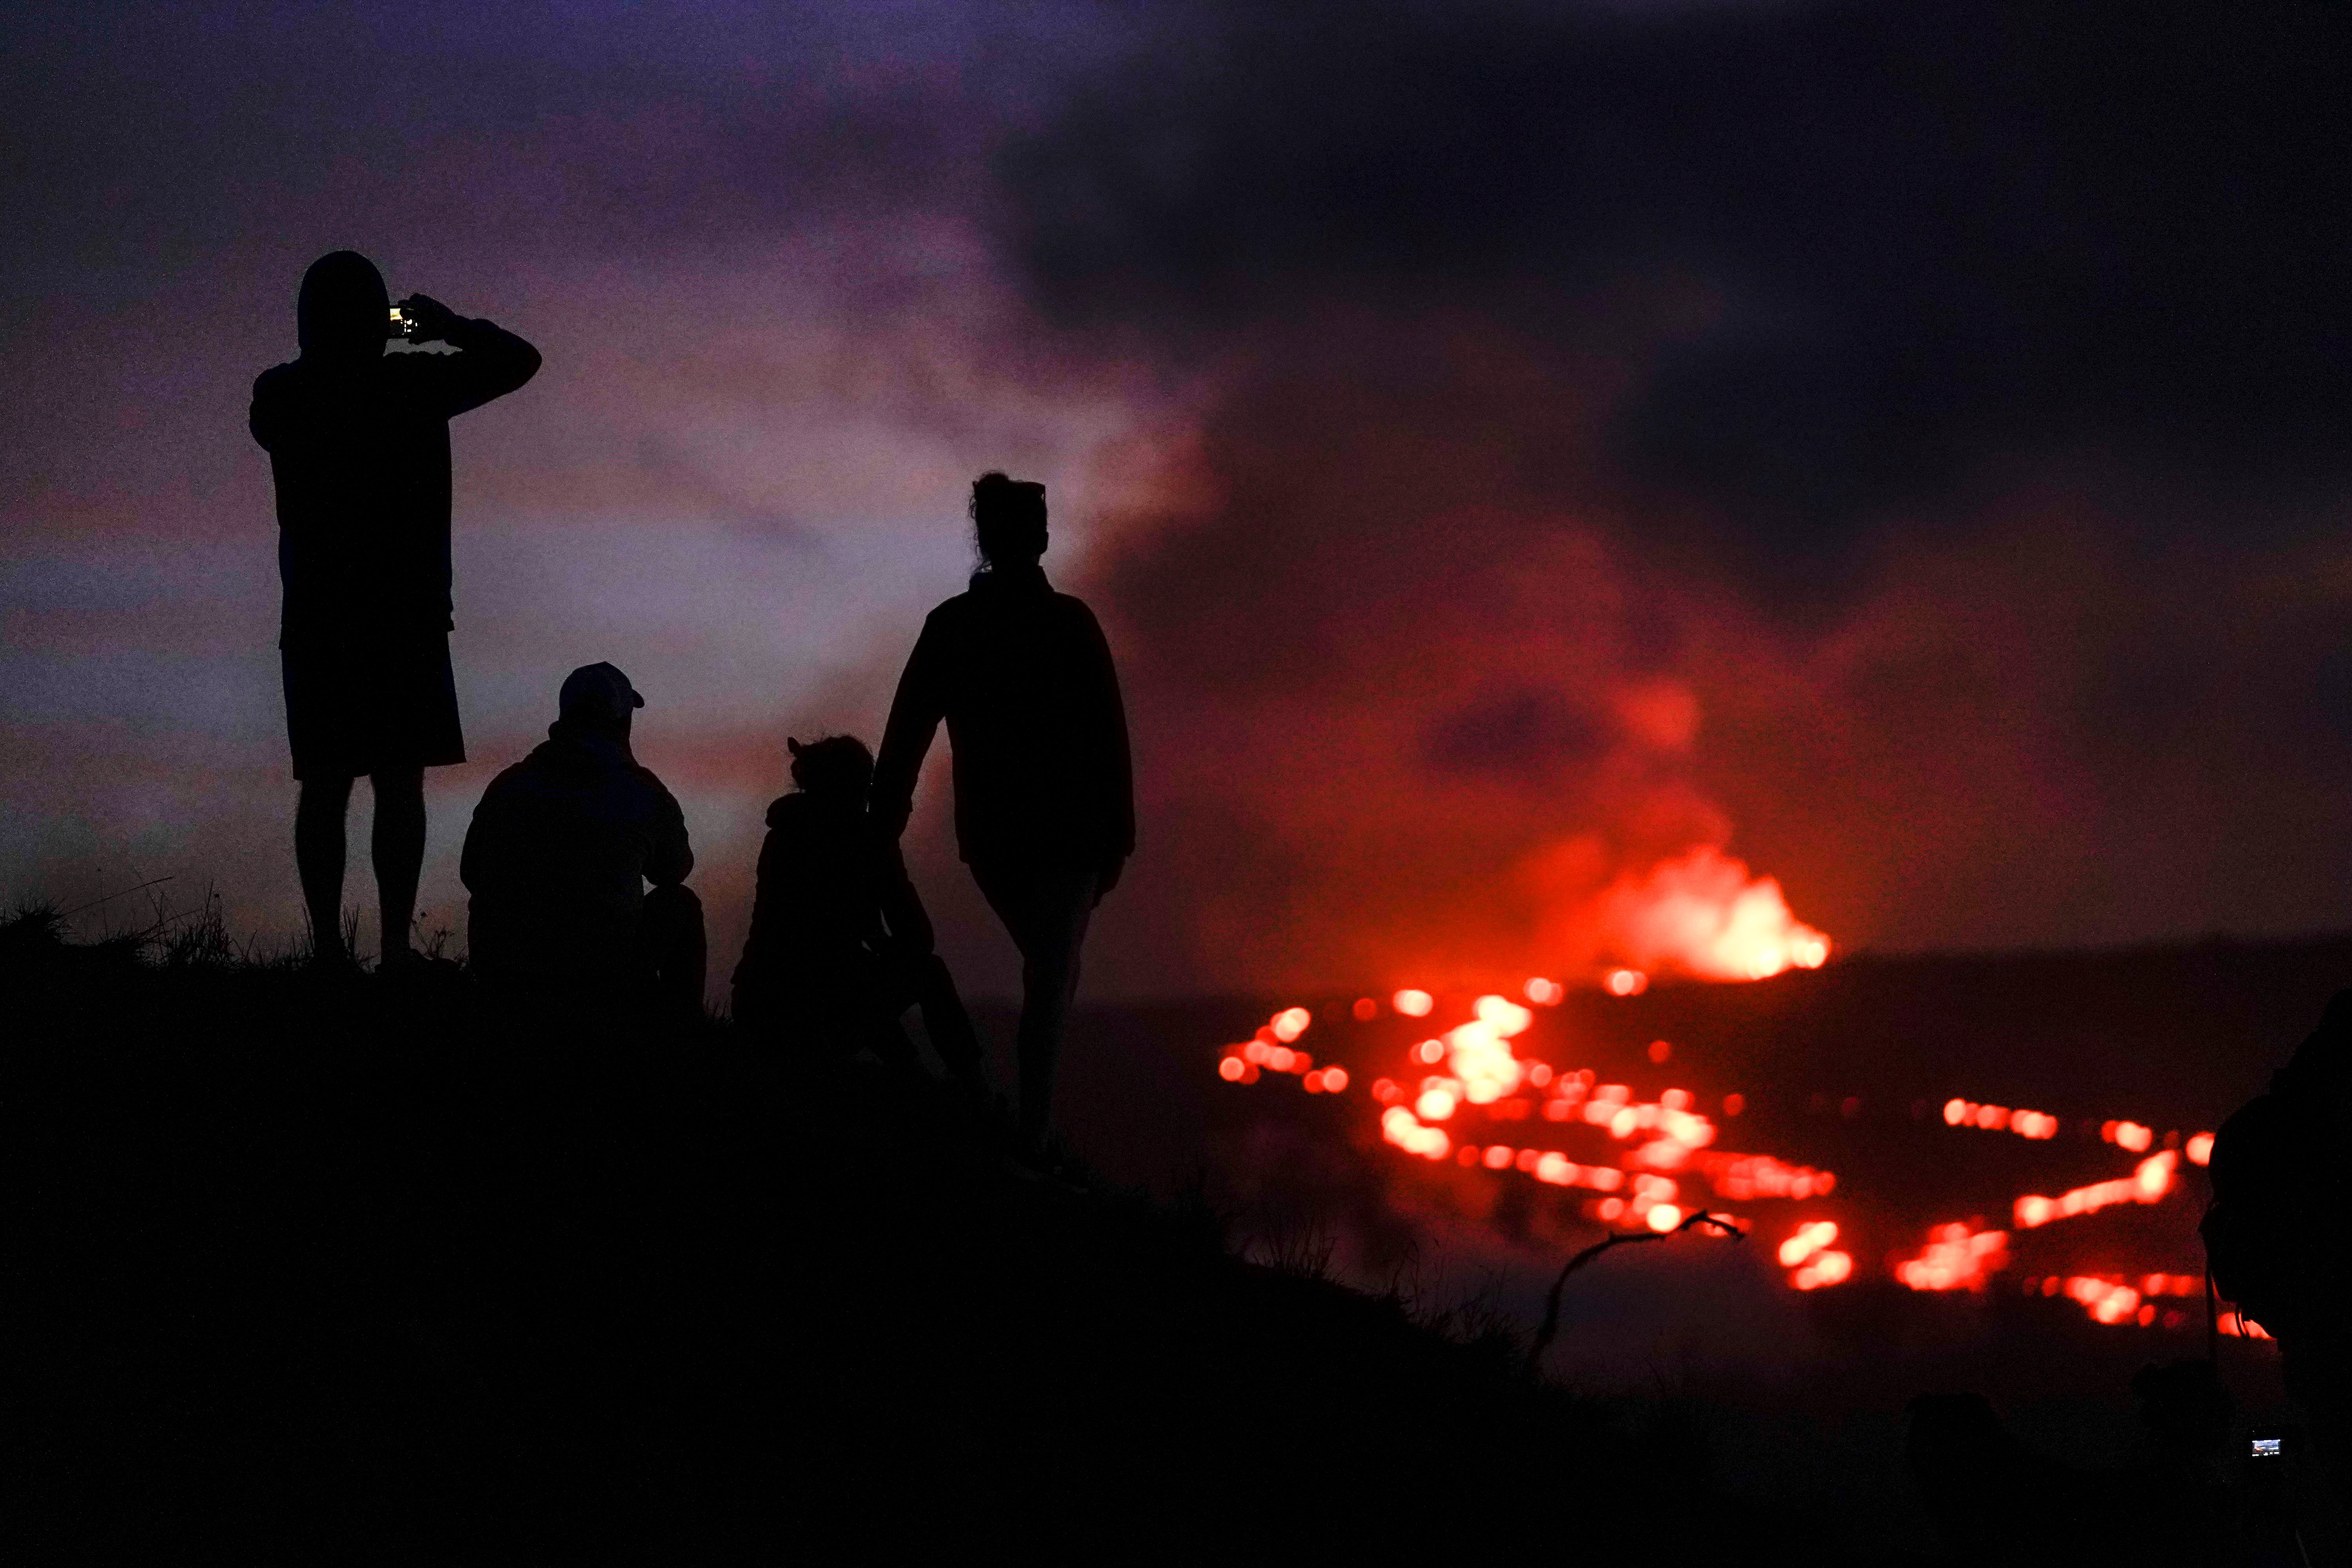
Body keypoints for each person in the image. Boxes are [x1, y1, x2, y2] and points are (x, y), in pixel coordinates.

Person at [249, 250, 540, 968]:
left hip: (319, 617)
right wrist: (434, 324)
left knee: (326, 783)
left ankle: (327, 951)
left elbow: (303, 390)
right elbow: (518, 360)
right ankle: (389, 946)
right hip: (403, 617)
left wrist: (380, 334)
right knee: (397, 782)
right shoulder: (409, 384)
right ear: (375, 316)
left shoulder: (281, 394)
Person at [873, 473, 1133, 1155]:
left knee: (1049, 972)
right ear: (1027, 538)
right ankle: (1032, 1132)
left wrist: (880, 824)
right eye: (1026, 528)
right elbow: (1108, 733)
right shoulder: (1053, 622)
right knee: (1051, 973)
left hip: (1015, 836)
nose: (1033, 539)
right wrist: (1118, 837)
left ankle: (1029, 1126)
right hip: (1052, 835)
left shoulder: (960, 625)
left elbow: (906, 734)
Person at [460, 662, 704, 1020]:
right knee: (680, 904)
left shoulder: (509, 784)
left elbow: (470, 873)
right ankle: (681, 1035)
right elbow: (676, 869)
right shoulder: (640, 792)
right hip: (597, 981)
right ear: (623, 722)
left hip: (504, 975)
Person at [732, 735, 984, 1080]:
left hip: (756, 1004)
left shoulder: (783, 833)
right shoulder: (866, 840)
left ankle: (914, 1075)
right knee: (928, 972)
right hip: (809, 1016)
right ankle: (974, 1090)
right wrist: (880, 933)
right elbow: (919, 942)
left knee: (851, 975)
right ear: (861, 786)